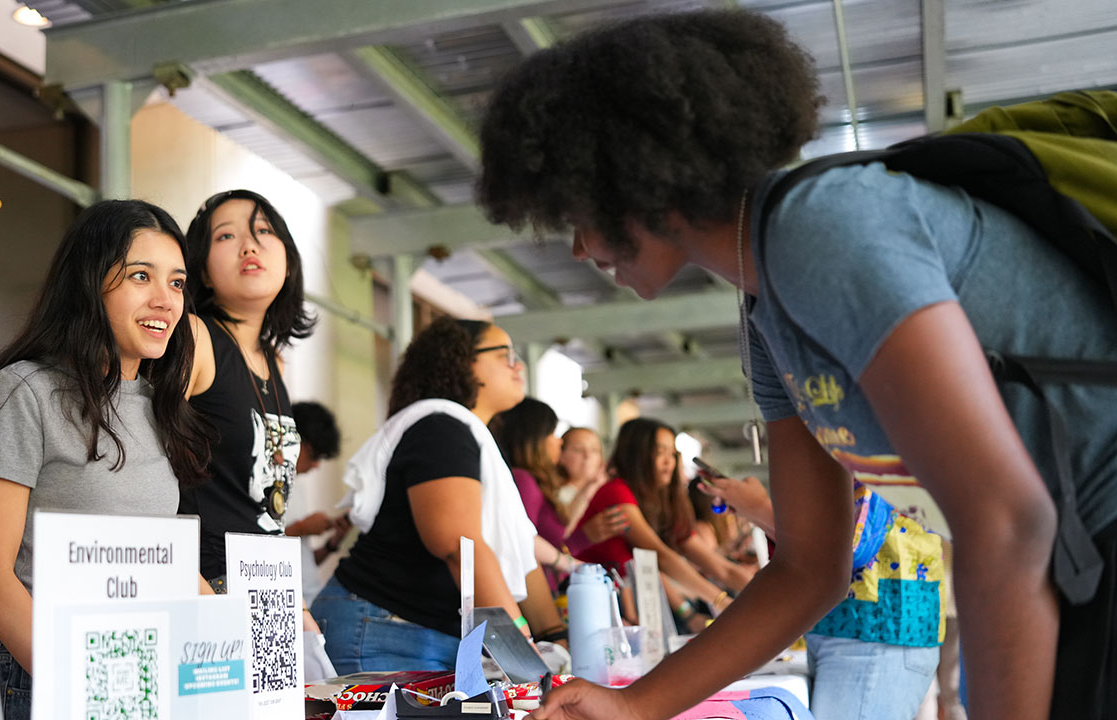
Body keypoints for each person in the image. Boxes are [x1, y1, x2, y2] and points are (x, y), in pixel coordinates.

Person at [477, 9, 1117, 719]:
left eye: (578, 211)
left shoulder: (824, 229)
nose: (577, 247)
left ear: (637, 179)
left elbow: (1007, 522)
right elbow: (813, 568)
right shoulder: (766, 308)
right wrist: (636, 705)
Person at [0, 200, 212, 720]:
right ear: (91, 283)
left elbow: (165, 559)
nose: (165, 300)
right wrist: (73, 681)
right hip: (48, 678)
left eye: (177, 283)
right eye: (141, 276)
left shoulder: (159, 405)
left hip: (145, 673)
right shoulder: (26, 389)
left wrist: (238, 644)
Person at [310, 317, 565, 673]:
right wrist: (520, 648)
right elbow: (459, 546)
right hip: (382, 629)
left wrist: (555, 634)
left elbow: (519, 551)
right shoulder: (442, 429)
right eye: (504, 354)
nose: (517, 364)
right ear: (463, 361)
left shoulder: (467, 436)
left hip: (407, 631)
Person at [697, 473, 945, 720]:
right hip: (850, 626)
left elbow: (846, 551)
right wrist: (756, 512)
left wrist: (759, 508)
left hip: (876, 627)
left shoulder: (871, 440)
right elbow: (817, 549)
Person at [177, 189, 315, 591]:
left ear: (287, 261)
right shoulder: (196, 336)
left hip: (268, 586)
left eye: (263, 231)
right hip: (209, 582)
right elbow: (145, 469)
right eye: (226, 236)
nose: (249, 245)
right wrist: (197, 587)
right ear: (201, 271)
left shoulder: (276, 360)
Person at [573, 418, 733, 618]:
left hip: (628, 606)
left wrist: (751, 589)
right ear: (636, 456)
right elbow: (662, 557)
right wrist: (721, 602)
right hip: (596, 605)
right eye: (659, 452)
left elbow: (722, 568)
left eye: (672, 454)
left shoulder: (659, 504)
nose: (669, 461)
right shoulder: (615, 492)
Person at [490, 399, 622, 588]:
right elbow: (522, 538)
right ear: (535, 439)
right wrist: (569, 562)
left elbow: (556, 535)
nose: (559, 441)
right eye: (552, 433)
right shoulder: (523, 480)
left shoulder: (535, 482)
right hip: (536, 594)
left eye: (594, 450)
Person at [283, 400, 351, 605]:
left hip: (309, 602)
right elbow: (250, 545)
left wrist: (332, 544)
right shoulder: (264, 484)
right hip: (287, 605)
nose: (315, 465)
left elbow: (305, 562)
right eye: (314, 454)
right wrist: (302, 528)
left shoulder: (298, 486)